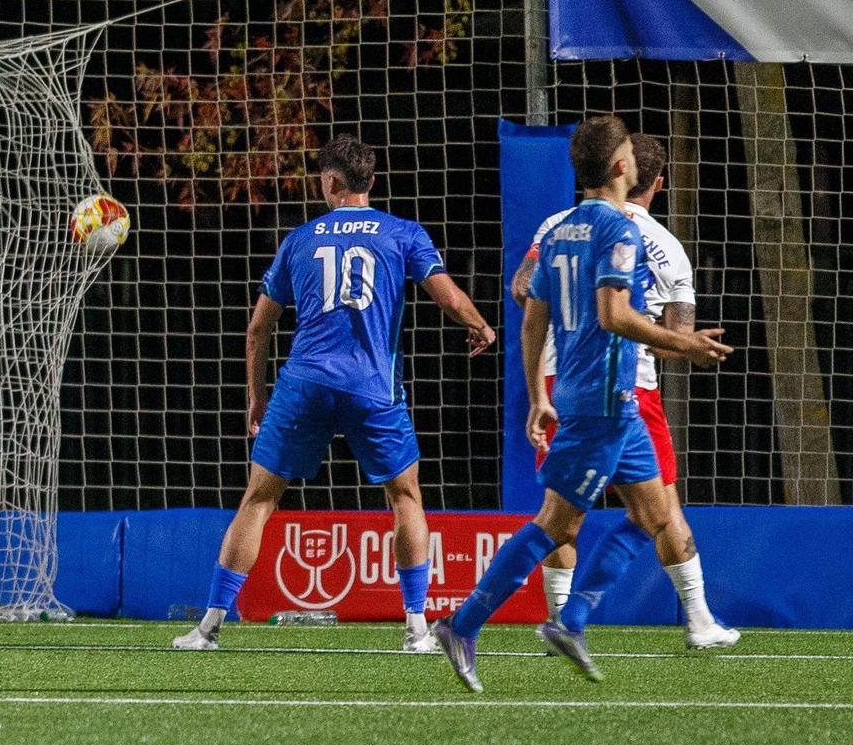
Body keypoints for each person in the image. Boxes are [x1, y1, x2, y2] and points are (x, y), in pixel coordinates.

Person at [435, 115, 733, 692]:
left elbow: (531, 318)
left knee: (654, 515)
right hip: (600, 399)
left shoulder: (558, 229)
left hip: (598, 396)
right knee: (556, 524)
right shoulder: (619, 232)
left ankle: (571, 622)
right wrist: (686, 343)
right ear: (623, 166)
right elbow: (613, 316)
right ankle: (463, 624)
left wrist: (537, 393)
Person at [171, 134, 496, 655]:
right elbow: (449, 296)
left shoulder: (300, 239)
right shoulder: (403, 233)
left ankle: (206, 628)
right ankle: (416, 629)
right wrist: (481, 326)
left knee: (259, 498)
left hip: (304, 383)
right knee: (405, 496)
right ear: (371, 182)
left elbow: (258, 329)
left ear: (330, 182)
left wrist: (256, 398)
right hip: (373, 387)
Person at [510, 133, 739, 648]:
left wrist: (570, 309)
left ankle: (560, 621)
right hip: (629, 386)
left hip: (560, 378)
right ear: (654, 182)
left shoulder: (554, 225)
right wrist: (657, 332)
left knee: (561, 511)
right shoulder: (668, 249)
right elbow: (674, 346)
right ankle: (699, 621)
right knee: (660, 509)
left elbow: (522, 287)